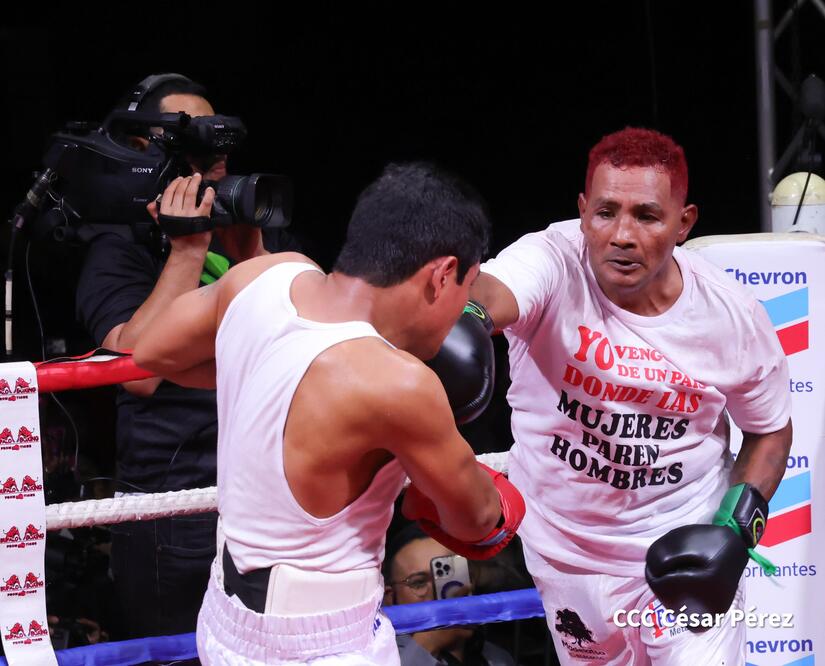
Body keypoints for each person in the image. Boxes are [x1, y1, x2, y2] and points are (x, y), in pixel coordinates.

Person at [133, 162, 526, 664]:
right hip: (320, 644)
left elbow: (152, 353)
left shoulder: (263, 274)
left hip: (224, 617)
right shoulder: (398, 383)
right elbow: (479, 523)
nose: (461, 310)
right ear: (443, 274)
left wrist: (261, 371)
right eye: (467, 289)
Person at [469, 127, 793, 664]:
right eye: (605, 212)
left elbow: (770, 431)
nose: (622, 234)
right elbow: (493, 293)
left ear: (684, 223)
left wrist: (736, 531)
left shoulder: (729, 315)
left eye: (646, 216)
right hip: (567, 559)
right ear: (582, 212)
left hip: (682, 551)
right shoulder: (552, 260)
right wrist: (467, 318)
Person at [75, 73, 300, 639]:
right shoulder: (117, 247)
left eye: (221, 141)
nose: (217, 158)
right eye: (196, 142)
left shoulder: (238, 229)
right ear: (144, 148)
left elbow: (295, 334)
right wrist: (186, 251)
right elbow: (136, 372)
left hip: (258, 493)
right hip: (173, 511)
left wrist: (250, 251)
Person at [384, 522, 516, 666]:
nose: (437, 592)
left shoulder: (498, 659)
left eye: (446, 576)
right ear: (390, 597)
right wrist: (428, 642)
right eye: (419, 582)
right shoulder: (376, 656)